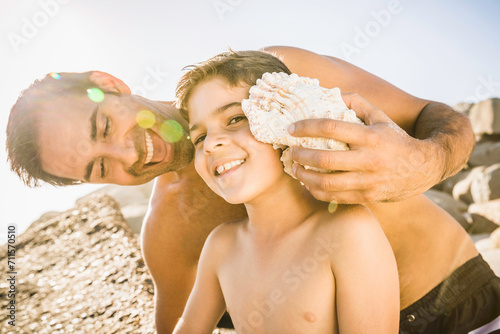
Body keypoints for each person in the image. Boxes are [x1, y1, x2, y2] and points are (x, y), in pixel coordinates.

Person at [5, 46, 499, 333]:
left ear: (107, 83)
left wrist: (426, 161)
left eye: (103, 127)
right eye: (98, 168)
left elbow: (436, 115)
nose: (127, 155)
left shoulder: (273, 79)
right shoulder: (169, 236)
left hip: (460, 304)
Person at [172, 50, 400, 334]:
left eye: (235, 119)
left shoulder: (348, 230)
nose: (210, 144)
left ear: (285, 121)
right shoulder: (221, 246)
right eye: (200, 137)